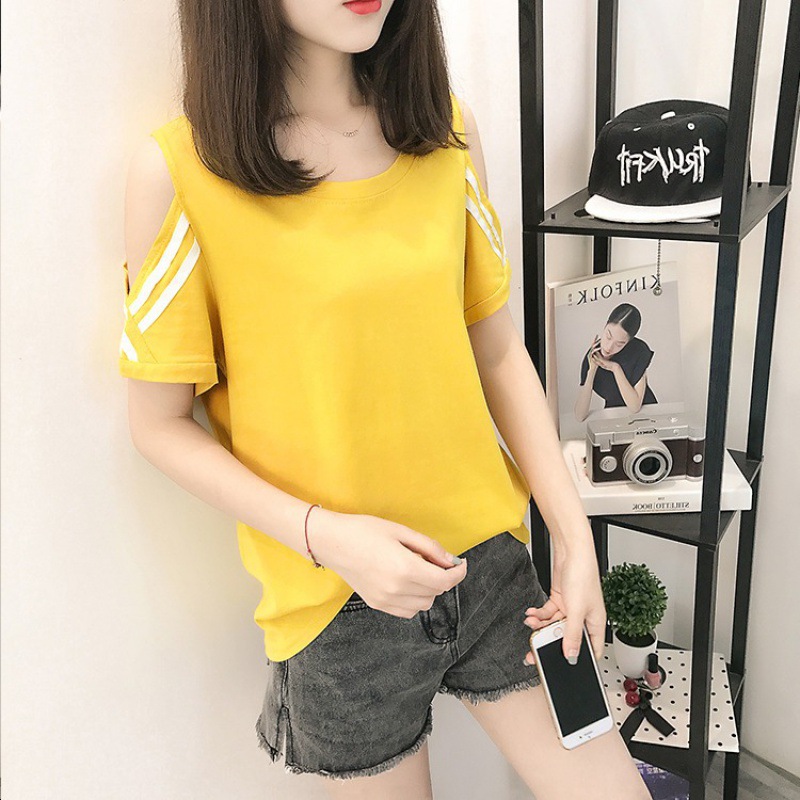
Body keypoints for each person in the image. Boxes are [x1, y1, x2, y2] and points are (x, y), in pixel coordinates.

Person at [118, 0, 651, 797]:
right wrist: (326, 536)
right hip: (338, 606)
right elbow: (158, 424)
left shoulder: (446, 133)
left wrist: (573, 538)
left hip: (495, 570)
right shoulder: (182, 173)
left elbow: (495, 346)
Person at [575, 303, 658, 422]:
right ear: (605, 326)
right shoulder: (593, 354)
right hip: (614, 415)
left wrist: (615, 368)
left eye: (619, 344)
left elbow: (635, 407)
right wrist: (592, 370)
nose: (609, 347)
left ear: (628, 342)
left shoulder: (638, 351)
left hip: (647, 413)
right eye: (608, 336)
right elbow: (579, 416)